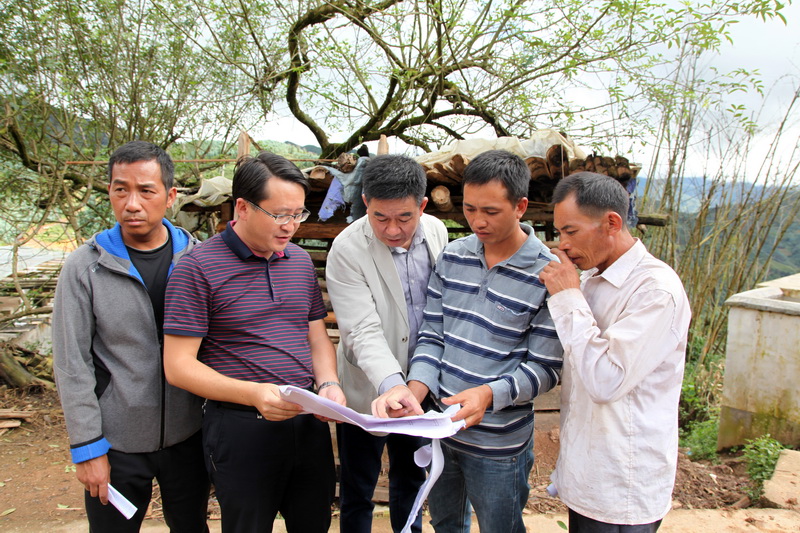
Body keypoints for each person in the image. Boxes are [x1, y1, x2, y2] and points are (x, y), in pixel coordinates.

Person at [372, 149, 564, 533]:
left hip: (498, 445)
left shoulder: (548, 275)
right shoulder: (453, 257)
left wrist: (488, 395)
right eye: (470, 209)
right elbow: (432, 335)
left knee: (500, 528)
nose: (478, 221)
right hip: (441, 432)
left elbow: (546, 368)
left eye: (491, 211)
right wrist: (414, 391)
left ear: (521, 206)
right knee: (445, 524)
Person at [161, 151, 345, 533]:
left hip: (307, 420)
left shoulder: (299, 261)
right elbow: (178, 366)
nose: (291, 226)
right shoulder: (197, 268)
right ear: (242, 207)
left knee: (314, 523)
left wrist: (328, 383)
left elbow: (316, 337)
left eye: (298, 214)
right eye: (279, 215)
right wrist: (254, 394)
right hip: (240, 426)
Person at [52, 141, 209, 532]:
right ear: (109, 192)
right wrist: (87, 448)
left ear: (170, 196)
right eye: (121, 190)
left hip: (189, 435)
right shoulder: (85, 267)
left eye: (146, 191)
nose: (132, 204)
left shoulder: (198, 260)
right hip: (115, 442)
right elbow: (71, 363)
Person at [539, 172, 691, 532]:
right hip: (589, 476)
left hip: (623, 484)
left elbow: (606, 381)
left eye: (571, 232)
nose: (563, 245)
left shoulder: (655, 290)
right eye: (559, 232)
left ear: (611, 223)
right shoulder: (592, 277)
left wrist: (567, 297)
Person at [326, 154, 449, 533]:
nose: (392, 229)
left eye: (404, 218)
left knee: (411, 479)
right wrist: (393, 385)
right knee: (358, 484)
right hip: (367, 386)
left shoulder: (437, 232)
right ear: (365, 202)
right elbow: (361, 329)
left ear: (422, 206)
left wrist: (415, 385)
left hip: (421, 383)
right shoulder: (347, 249)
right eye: (380, 217)